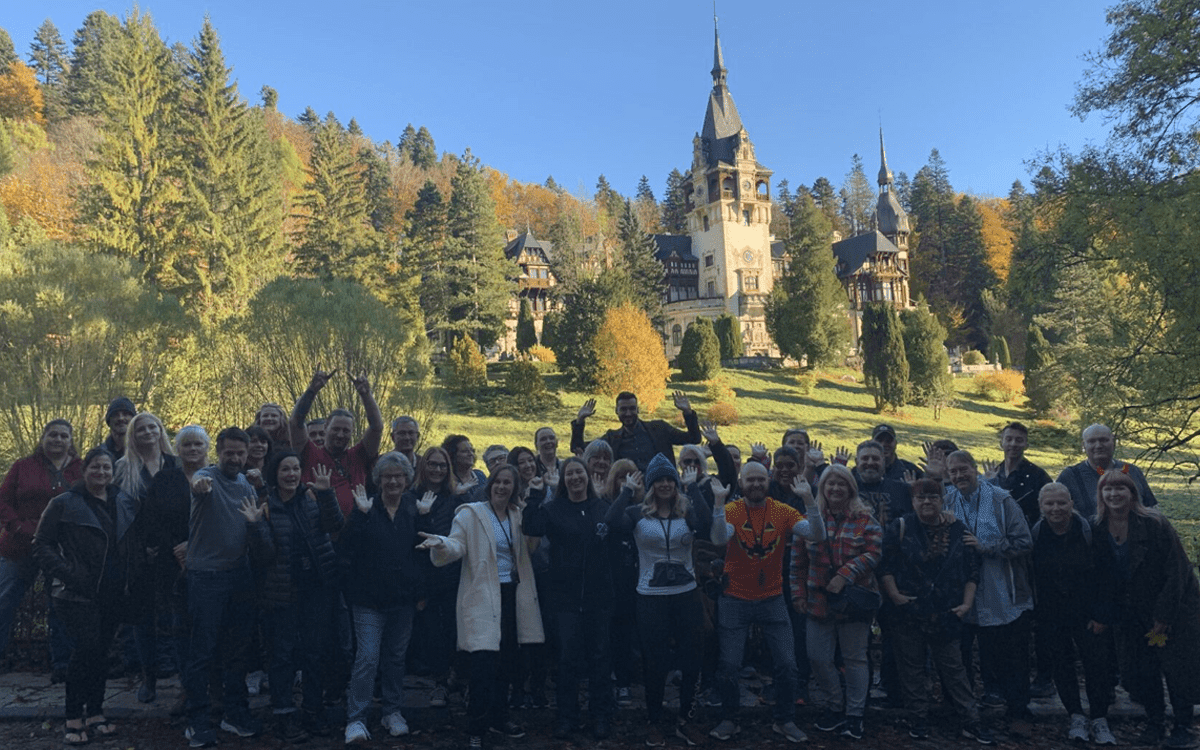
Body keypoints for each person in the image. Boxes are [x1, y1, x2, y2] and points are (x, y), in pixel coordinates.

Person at [604, 454, 729, 746]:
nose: (664, 485)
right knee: (655, 663)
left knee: (691, 659)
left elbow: (708, 525)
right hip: (650, 597)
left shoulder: (686, 512)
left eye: (669, 480)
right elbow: (611, 522)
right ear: (650, 485)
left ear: (675, 483)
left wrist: (694, 487)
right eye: (658, 480)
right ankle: (654, 721)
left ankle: (686, 718)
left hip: (686, 596)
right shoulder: (637, 513)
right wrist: (624, 492)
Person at [418, 464, 544, 750]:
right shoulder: (471, 513)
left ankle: (499, 718)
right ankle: (476, 726)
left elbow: (530, 547)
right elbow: (457, 545)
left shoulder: (517, 515)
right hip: (483, 596)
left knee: (508, 664)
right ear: (490, 485)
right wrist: (440, 544)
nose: (501, 487)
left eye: (507, 483)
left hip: (513, 596)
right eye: (497, 482)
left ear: (514, 487)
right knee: (483, 665)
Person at [33, 447, 147, 745]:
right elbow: (41, 545)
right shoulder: (64, 503)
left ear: (113, 472)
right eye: (95, 468)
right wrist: (69, 574)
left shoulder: (124, 501)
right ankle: (72, 716)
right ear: (84, 471)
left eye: (107, 468)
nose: (101, 473)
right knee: (84, 653)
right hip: (76, 593)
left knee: (101, 655)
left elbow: (133, 544)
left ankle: (96, 712)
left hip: (113, 592)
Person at [710, 460, 823, 744]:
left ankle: (784, 720)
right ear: (741, 482)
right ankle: (729, 719)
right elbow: (718, 538)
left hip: (772, 597)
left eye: (761, 479)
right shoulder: (733, 511)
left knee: (787, 663)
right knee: (729, 665)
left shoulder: (782, 511)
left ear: (769, 480)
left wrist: (808, 498)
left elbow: (817, 534)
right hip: (734, 597)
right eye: (751, 480)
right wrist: (717, 504)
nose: (757, 484)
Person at [879, 477, 993, 744]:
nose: (927, 502)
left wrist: (966, 604)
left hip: (947, 611)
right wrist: (894, 595)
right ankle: (918, 718)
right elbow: (885, 565)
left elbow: (971, 570)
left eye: (933, 497)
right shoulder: (900, 527)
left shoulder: (957, 529)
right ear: (913, 501)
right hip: (909, 610)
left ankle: (970, 721)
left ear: (942, 500)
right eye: (921, 498)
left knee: (955, 670)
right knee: (912, 669)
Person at [1092, 469, 1200, 748]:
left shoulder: (1154, 523)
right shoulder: (1097, 527)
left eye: (1121, 488)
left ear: (1133, 494)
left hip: (1172, 608)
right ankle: (1155, 722)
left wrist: (1164, 616)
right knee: (1142, 670)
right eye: (1108, 489)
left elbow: (1178, 572)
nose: (1114, 494)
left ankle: (1183, 726)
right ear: (1101, 495)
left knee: (1177, 670)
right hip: (1130, 612)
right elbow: (1102, 577)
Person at [181, 427, 272, 748]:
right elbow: (197, 484)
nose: (234, 459)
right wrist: (198, 484)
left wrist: (262, 490)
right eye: (228, 453)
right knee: (202, 652)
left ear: (247, 455)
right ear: (218, 452)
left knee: (237, 653)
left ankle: (233, 713)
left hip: (240, 577)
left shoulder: (247, 483)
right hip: (206, 577)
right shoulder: (207, 478)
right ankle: (196, 720)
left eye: (239, 453)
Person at [522, 456, 615, 740]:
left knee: (600, 659)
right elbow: (533, 530)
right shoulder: (554, 509)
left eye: (579, 473)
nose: (575, 478)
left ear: (587, 476)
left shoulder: (602, 508)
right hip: (564, 598)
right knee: (567, 659)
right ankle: (566, 717)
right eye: (570, 474)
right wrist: (535, 496)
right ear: (563, 480)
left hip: (599, 597)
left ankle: (600, 715)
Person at [943, 450, 1033, 726]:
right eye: (953, 471)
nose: (959, 476)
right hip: (959, 592)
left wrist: (987, 548)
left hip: (999, 590)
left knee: (1006, 656)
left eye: (964, 469)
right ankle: (962, 710)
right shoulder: (946, 501)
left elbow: (1024, 541)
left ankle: (1017, 711)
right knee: (959, 656)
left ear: (974, 469)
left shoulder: (1000, 499)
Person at [341, 453, 426, 744]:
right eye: (387, 476)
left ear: (406, 479)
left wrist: (420, 594)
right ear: (378, 480)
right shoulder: (367, 507)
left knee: (396, 658)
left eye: (398, 476)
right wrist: (360, 515)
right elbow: (346, 546)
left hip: (403, 601)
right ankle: (356, 718)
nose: (392, 481)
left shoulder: (414, 509)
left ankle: (392, 711)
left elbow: (423, 553)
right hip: (368, 600)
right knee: (367, 657)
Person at [793, 464, 880, 741]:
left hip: (853, 601)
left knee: (855, 658)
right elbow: (797, 562)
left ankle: (855, 714)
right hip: (817, 599)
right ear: (822, 488)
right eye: (830, 484)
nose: (835, 488)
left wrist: (845, 575)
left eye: (841, 484)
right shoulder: (808, 519)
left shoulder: (865, 519)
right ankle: (835, 704)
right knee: (818, 657)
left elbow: (874, 553)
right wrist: (797, 594)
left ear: (851, 488)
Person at [260, 454, 343, 742]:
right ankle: (283, 714)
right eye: (285, 469)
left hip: (316, 589)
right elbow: (264, 553)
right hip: (283, 590)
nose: (291, 474)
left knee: (314, 652)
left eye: (296, 468)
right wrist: (255, 524)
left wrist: (326, 492)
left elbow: (334, 526)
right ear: (275, 473)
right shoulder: (267, 505)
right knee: (282, 654)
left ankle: (312, 709)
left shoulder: (311, 499)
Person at [1029, 483, 1116, 745]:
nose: (1056, 509)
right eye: (1050, 504)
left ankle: (1100, 718)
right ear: (1041, 507)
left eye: (1061, 503)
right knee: (1061, 666)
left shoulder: (1089, 532)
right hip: (1052, 615)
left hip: (1088, 614)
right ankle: (1076, 715)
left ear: (1071, 503)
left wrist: (1102, 615)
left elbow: (1107, 576)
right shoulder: (1036, 533)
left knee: (1097, 666)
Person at [0, 420, 81, 677]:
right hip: (21, 544)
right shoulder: (23, 467)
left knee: (60, 603)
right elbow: (3, 500)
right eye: (53, 435)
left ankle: (62, 664)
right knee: (5, 598)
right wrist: (15, 526)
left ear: (71, 440)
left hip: (61, 548)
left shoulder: (80, 469)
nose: (58, 440)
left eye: (63, 436)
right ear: (43, 437)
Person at [986, 421, 1054, 699]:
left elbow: (1048, 512)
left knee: (1035, 618)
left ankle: (1043, 677)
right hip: (1001, 556)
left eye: (1019, 440)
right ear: (1001, 442)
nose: (1013, 444)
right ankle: (1003, 678)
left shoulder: (1038, 476)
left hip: (1031, 556)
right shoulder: (993, 474)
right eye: (1009, 439)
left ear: (1026, 444)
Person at [115, 412, 178, 703]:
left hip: (174, 552)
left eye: (153, 427)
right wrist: (140, 548)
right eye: (141, 429)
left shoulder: (175, 464)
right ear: (133, 435)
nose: (149, 432)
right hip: (139, 554)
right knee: (142, 619)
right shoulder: (123, 468)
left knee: (174, 615)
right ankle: (148, 678)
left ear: (161, 431)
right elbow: (119, 515)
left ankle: (176, 671)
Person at [407, 446, 462, 707]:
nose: (437, 470)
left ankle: (457, 681)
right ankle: (439, 683)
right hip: (424, 578)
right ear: (423, 467)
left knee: (455, 632)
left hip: (454, 576)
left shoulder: (456, 499)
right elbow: (413, 542)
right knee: (432, 636)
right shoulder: (412, 498)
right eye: (432, 464)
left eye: (442, 465)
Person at [287, 368, 384, 516]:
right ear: (326, 427)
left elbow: (377, 427)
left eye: (346, 431)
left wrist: (366, 395)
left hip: (355, 530)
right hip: (317, 531)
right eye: (336, 429)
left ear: (352, 432)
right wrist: (312, 390)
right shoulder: (309, 452)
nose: (340, 435)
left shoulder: (358, 455)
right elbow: (296, 422)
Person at [571, 391, 701, 470]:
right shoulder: (612, 438)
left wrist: (688, 412)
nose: (628, 413)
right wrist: (580, 420)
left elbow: (693, 439)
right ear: (616, 411)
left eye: (632, 408)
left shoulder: (659, 429)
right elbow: (579, 448)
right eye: (623, 409)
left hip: (663, 487)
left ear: (638, 410)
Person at [1057, 423, 1157, 518]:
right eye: (1092, 441)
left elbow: (1151, 509)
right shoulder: (1070, 476)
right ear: (1084, 445)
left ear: (1113, 442)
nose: (1098, 446)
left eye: (1103, 440)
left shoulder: (1131, 471)